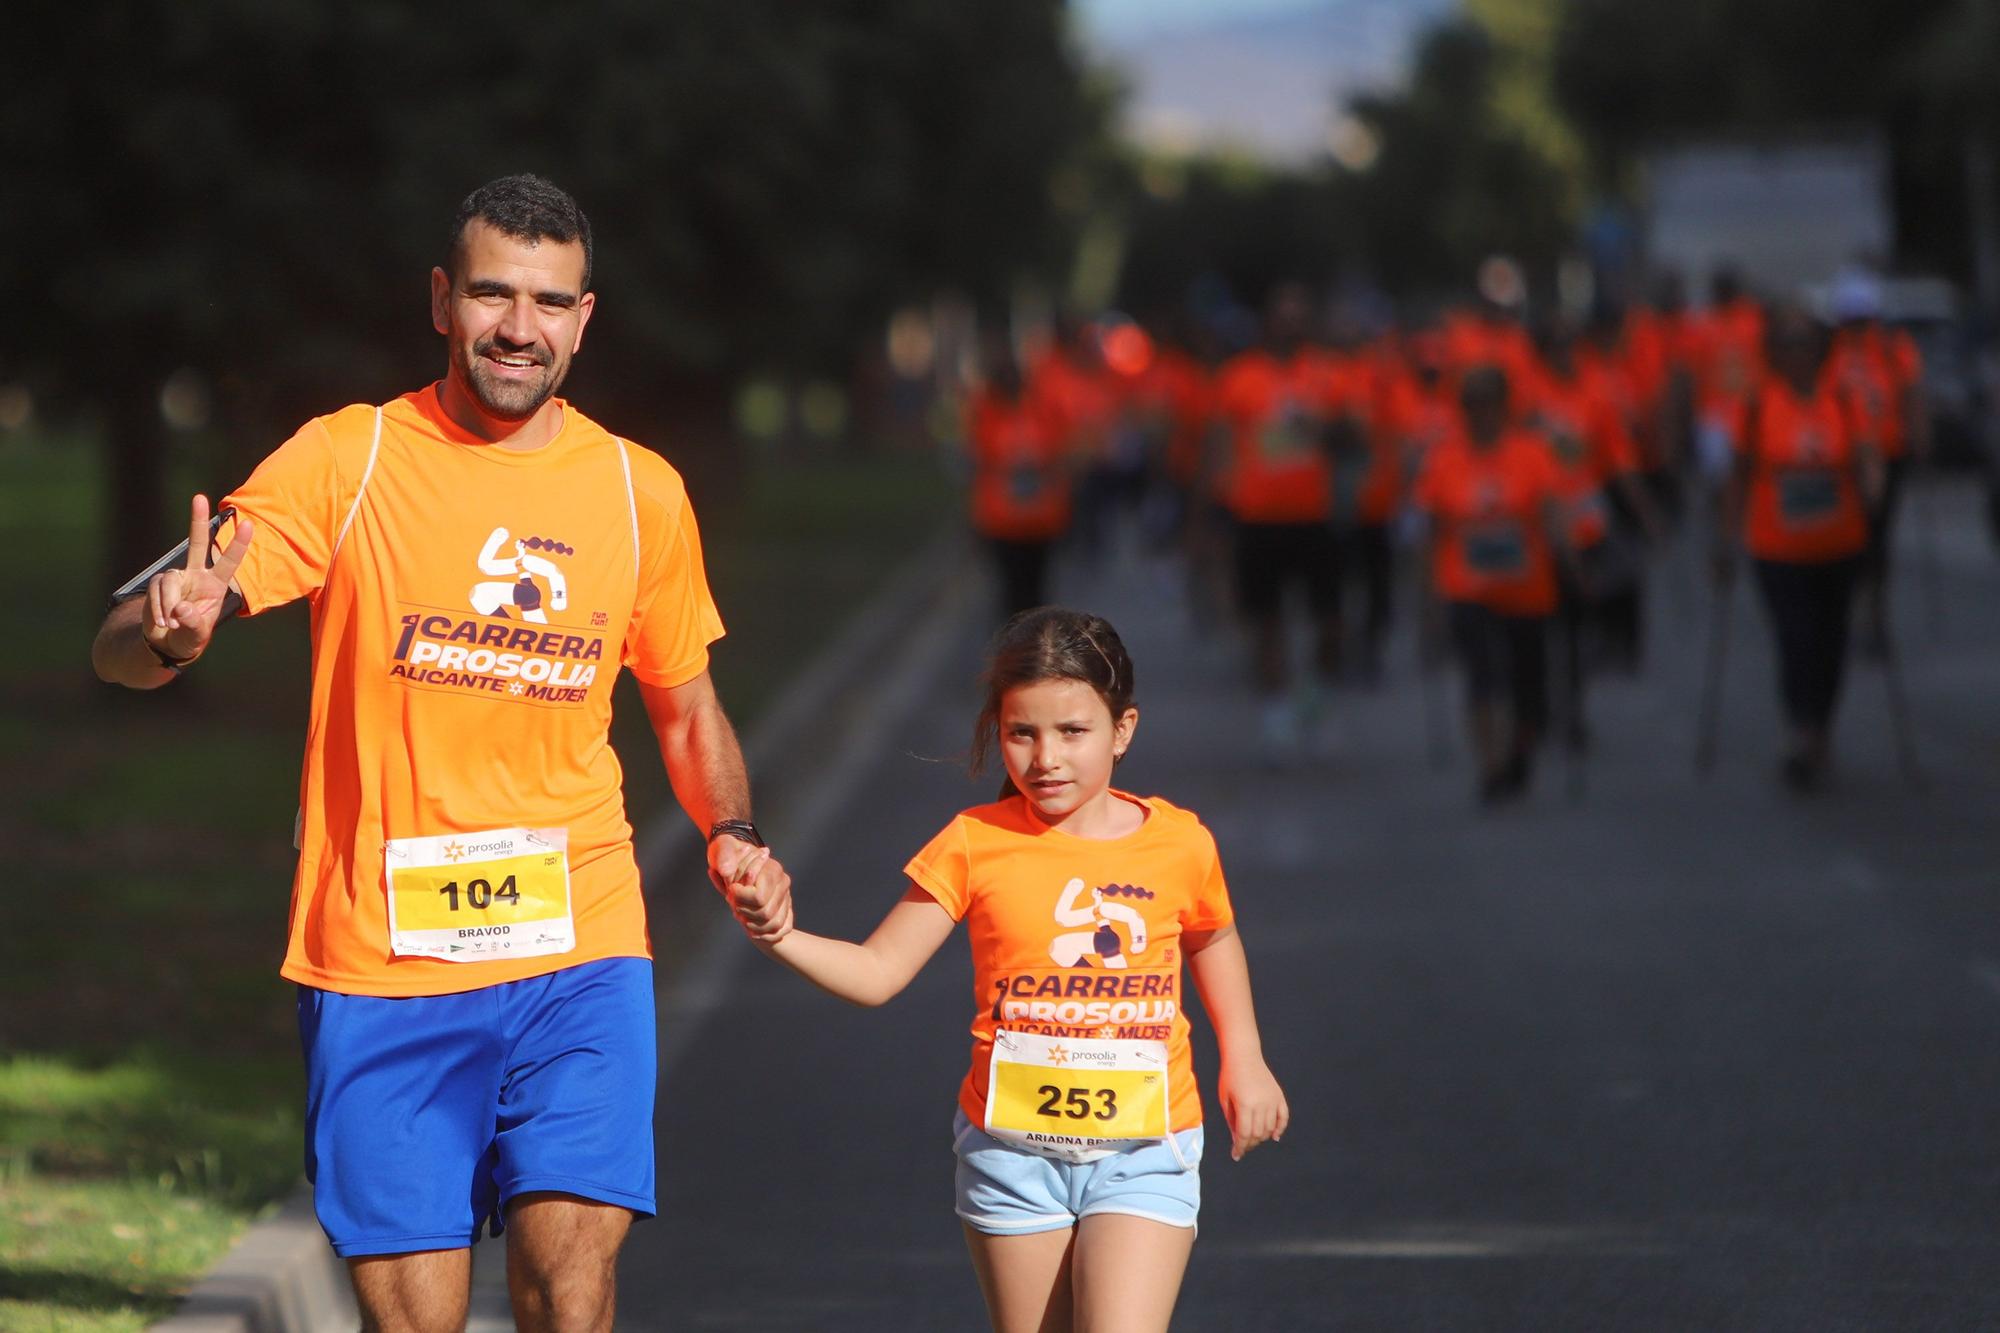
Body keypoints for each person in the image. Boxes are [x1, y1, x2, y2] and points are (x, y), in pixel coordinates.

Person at [90, 174, 792, 1333]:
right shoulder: (348, 459)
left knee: (574, 1293)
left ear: (583, 317)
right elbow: (121, 649)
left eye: (548, 301)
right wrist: (167, 635)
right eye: (491, 293)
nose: (519, 327)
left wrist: (731, 830)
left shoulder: (636, 492)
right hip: (384, 961)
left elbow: (684, 704)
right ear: (440, 300)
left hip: (580, 941)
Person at [726, 608, 1288, 1333]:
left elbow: (1212, 936)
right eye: (1022, 732)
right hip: (1012, 1161)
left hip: (1147, 1149)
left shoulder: (1179, 842)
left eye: (1072, 731)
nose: (1045, 756)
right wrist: (779, 934)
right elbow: (878, 970)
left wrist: (1245, 1058)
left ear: (1123, 730)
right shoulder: (973, 842)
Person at [1716, 304, 1884, 789]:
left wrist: (1873, 483)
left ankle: (1822, 723)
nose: (1797, 354)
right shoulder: (1757, 405)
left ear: (1821, 351)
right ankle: (1801, 731)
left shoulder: (1845, 401)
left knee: (1832, 642)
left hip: (1840, 544)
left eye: (1805, 344)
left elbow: (1868, 454)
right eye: (1787, 345)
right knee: (1796, 638)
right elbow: (1738, 476)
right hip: (1777, 549)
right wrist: (1726, 539)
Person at [1414, 365, 1573, 804]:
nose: (1481, 414)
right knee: (1482, 677)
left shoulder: (1532, 452)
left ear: (1505, 408)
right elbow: (1431, 525)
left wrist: (1570, 559)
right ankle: (1491, 763)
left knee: (1527, 683)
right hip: (1468, 589)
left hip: (1527, 590)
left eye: (1490, 405)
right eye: (1472, 406)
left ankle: (1521, 746)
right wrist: (1427, 590)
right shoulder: (1444, 458)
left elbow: (1553, 510)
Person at [1209, 283, 1344, 758]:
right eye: (1282, 316)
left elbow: (1353, 434)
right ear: (1268, 324)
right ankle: (1276, 708)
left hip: (1314, 515)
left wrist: (1324, 428)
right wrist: (1221, 503)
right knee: (1267, 619)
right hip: (1259, 517)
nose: (1290, 325)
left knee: (1330, 620)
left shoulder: (1326, 374)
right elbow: (1223, 444)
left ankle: (1314, 695)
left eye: (1298, 317)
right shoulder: (1240, 378)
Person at [1822, 267, 1926, 654]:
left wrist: (1919, 435)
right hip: (1844, 459)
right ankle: (1846, 612)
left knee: (1878, 538)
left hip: (1888, 452)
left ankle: (1875, 616)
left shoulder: (1892, 346)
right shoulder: (1828, 350)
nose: (1858, 327)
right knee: (1848, 538)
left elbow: (1912, 390)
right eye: (1851, 319)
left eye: (1863, 318)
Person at [967, 337, 1075, 620]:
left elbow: (1062, 453)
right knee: (1011, 592)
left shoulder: (1042, 410)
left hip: (1042, 520)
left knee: (1036, 591)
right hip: (1002, 522)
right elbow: (977, 462)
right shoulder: (984, 412)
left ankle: (1035, 650)